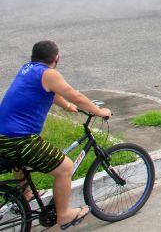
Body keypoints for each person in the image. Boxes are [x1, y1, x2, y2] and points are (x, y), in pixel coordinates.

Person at [0, 40, 112, 230]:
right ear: (56, 58)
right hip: (19, 139)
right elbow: (74, 94)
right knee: (65, 168)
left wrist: (67, 106)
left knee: (23, 159)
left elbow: (54, 92)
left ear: (33, 56)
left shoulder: (28, 69)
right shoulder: (49, 73)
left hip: (4, 136)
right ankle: (64, 215)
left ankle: (24, 192)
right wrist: (99, 111)